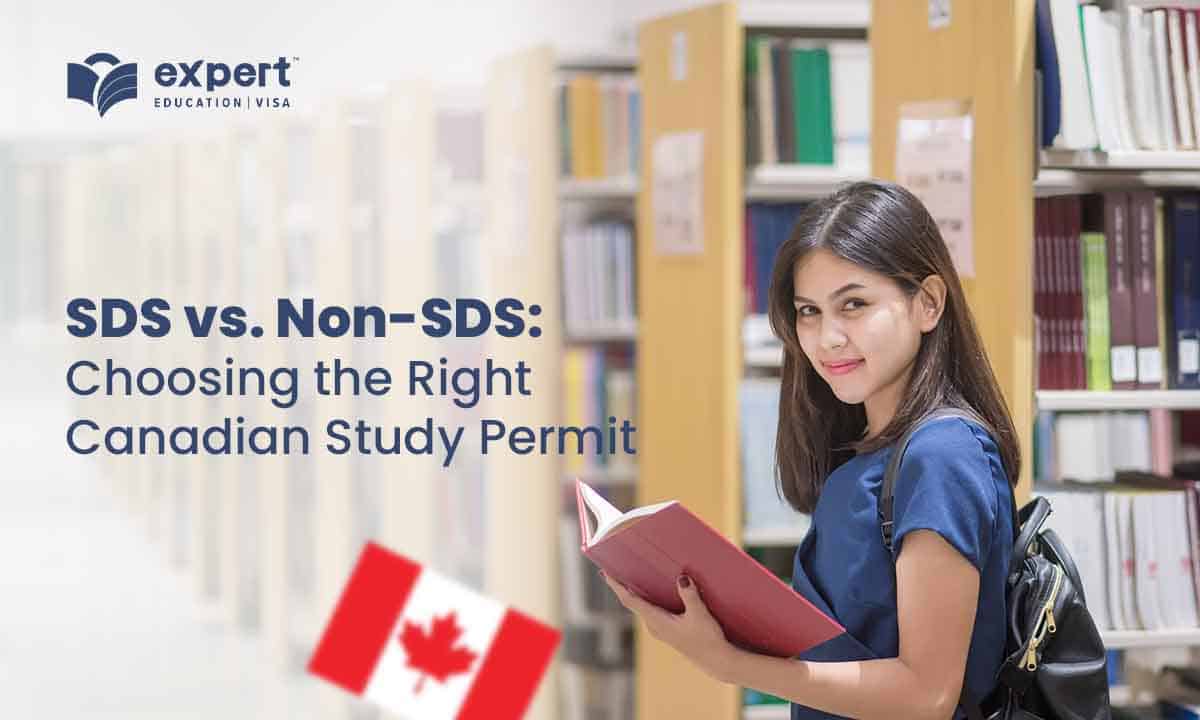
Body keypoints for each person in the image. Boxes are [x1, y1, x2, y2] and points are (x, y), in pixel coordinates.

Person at [602, 180, 1020, 720]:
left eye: (854, 305)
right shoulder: (867, 449)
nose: (827, 338)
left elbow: (926, 695)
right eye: (808, 312)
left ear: (928, 303)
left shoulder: (941, 456)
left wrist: (729, 664)